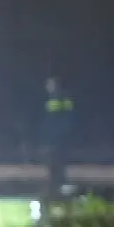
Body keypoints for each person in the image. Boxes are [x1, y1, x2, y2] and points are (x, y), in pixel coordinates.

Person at [40, 77, 75, 208]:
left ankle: (56, 187)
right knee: (56, 163)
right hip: (58, 138)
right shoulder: (56, 98)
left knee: (55, 162)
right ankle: (56, 186)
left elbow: (55, 121)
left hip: (57, 138)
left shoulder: (57, 98)